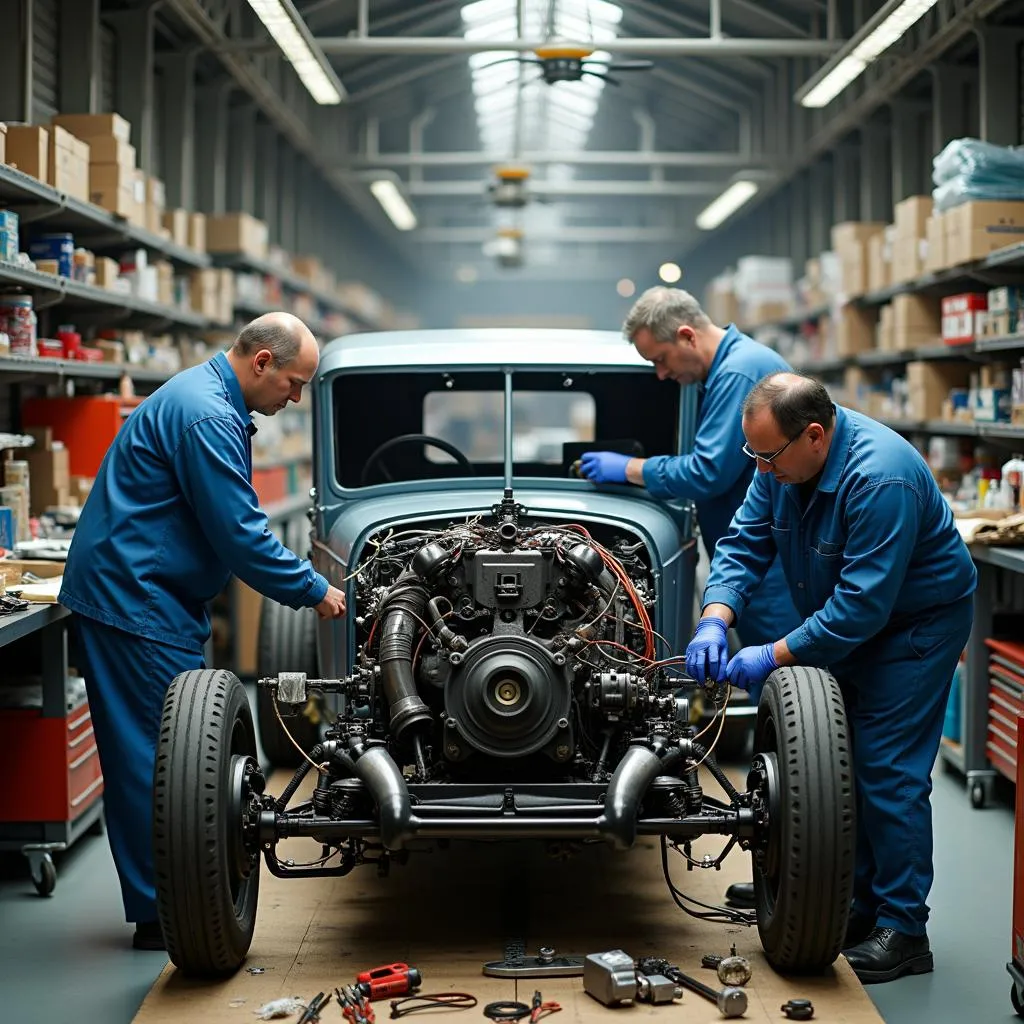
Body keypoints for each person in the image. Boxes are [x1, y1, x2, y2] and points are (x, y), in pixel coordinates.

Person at [59, 313, 346, 951]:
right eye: (294, 384)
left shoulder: (207, 398)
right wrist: (316, 590)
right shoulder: (207, 415)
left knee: (175, 754)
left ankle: (177, 896)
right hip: (134, 597)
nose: (294, 398)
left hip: (157, 591)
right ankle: (164, 914)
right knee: (156, 761)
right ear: (262, 363)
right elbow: (240, 536)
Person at [685, 372, 977, 983]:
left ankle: (903, 929)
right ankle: (855, 905)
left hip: (914, 627)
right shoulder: (781, 466)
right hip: (853, 617)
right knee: (837, 759)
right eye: (752, 455)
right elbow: (742, 542)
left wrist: (772, 654)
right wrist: (717, 616)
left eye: (767, 457)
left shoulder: (881, 478)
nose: (760, 470)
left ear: (814, 435)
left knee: (885, 767)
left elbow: (860, 611)